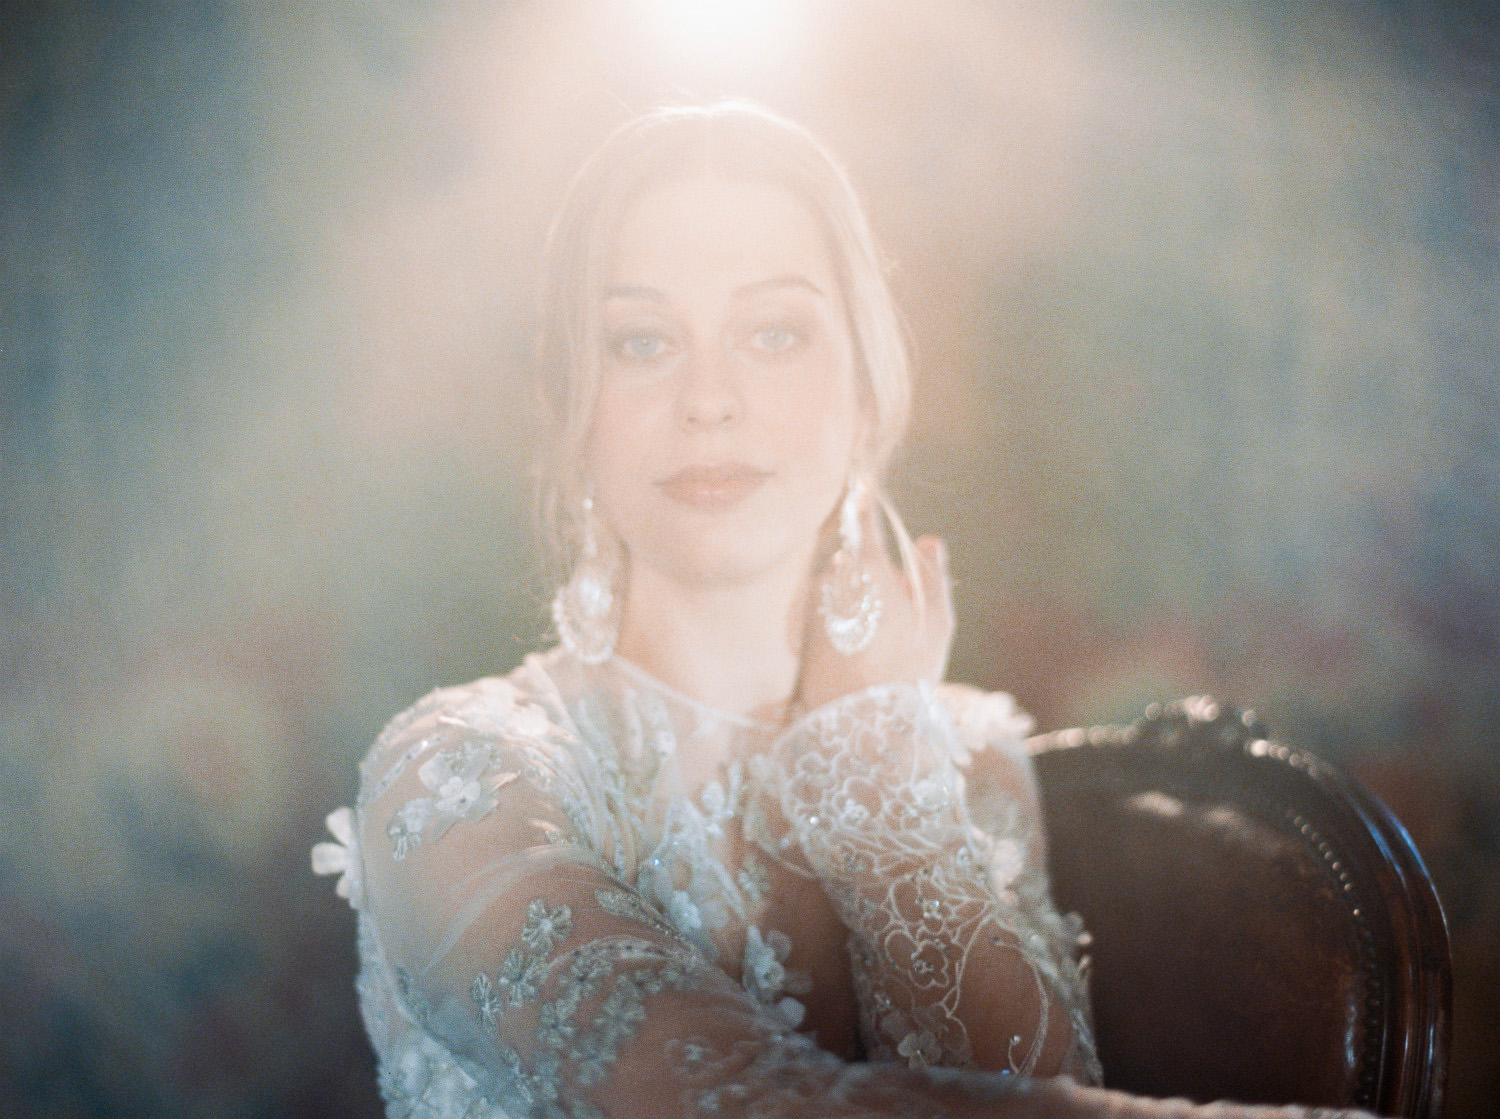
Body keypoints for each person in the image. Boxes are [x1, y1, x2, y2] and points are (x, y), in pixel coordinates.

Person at [314, 102, 1379, 1118]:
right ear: (570, 412)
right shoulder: (459, 771)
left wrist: (881, 784)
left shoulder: (964, 758)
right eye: (643, 342)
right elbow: (752, 1107)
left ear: (866, 395)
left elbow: (1031, 1086)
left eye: (774, 334)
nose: (710, 397)